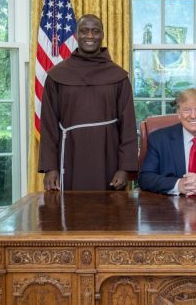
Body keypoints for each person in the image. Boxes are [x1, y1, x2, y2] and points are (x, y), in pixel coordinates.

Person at [39, 14, 138, 191]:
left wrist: (125, 168)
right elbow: (48, 125)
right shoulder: (57, 75)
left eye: (95, 31)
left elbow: (128, 126)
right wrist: (50, 168)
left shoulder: (119, 76)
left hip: (108, 157)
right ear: (76, 35)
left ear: (102, 35)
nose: (90, 36)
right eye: (84, 31)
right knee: (70, 214)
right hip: (70, 156)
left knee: (110, 215)